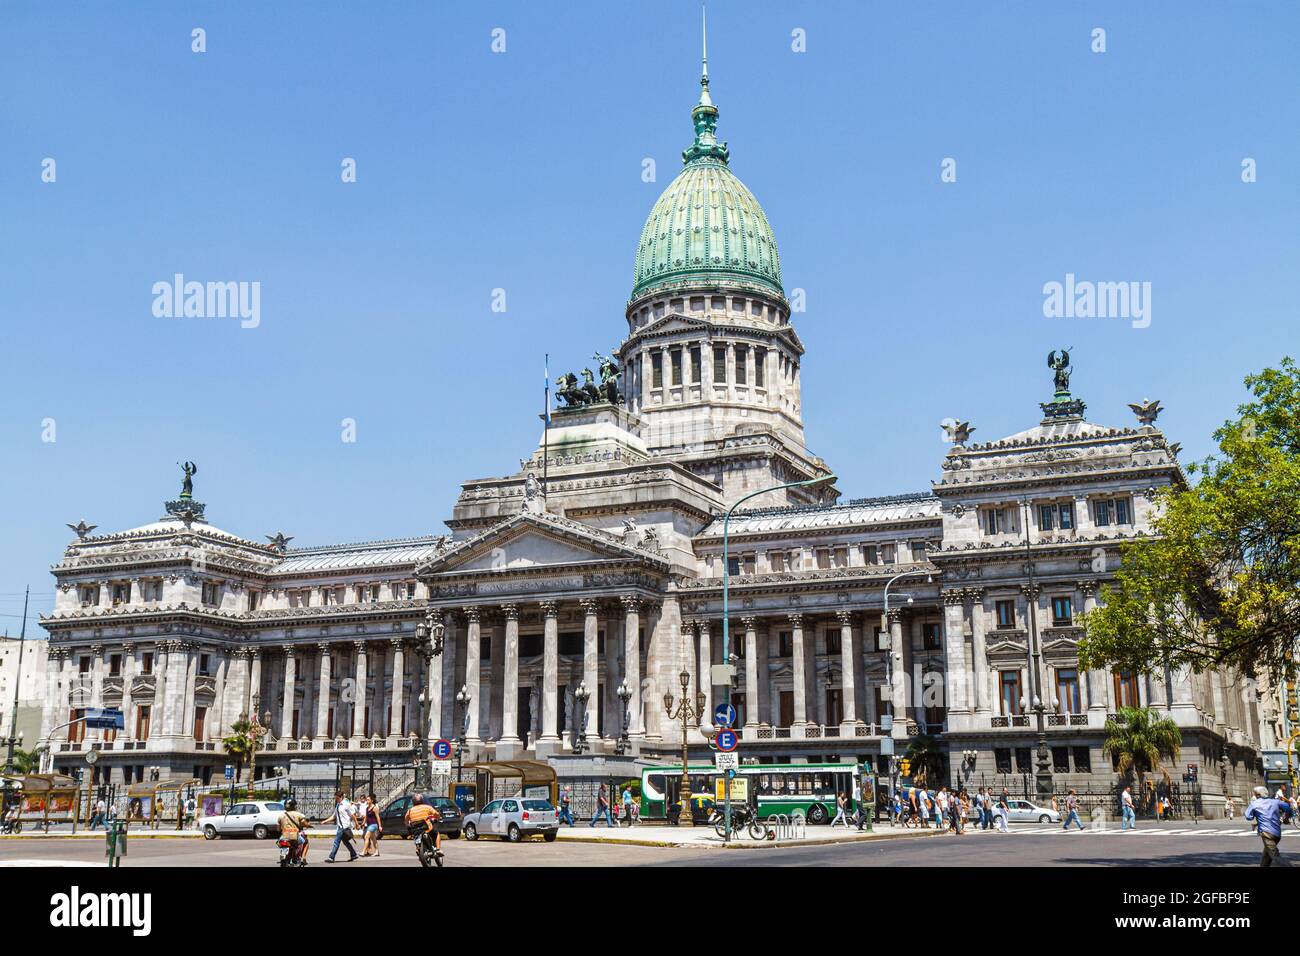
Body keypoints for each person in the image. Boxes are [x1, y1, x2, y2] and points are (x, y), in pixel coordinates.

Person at [1244, 785, 1292, 867]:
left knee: (1275, 856)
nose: (1254, 796)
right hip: (1277, 833)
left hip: (1266, 833)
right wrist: (1286, 818)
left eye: (1255, 794)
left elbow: (1248, 816)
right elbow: (1288, 807)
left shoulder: (1255, 804)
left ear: (1258, 795)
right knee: (1266, 856)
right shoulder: (1275, 801)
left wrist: (1255, 815)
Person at [322, 792, 359, 863]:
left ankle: (331, 857)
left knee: (336, 842)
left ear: (341, 797)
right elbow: (334, 816)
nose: (336, 800)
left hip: (344, 826)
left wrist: (356, 824)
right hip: (340, 826)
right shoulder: (338, 805)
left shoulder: (346, 804)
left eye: (337, 798)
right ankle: (353, 854)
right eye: (336, 798)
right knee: (345, 842)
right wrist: (325, 821)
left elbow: (352, 815)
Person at [405, 793, 443, 859]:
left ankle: (418, 849)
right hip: (426, 828)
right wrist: (438, 817)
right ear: (422, 800)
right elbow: (436, 814)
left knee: (416, 837)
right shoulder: (427, 807)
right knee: (436, 833)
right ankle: (438, 849)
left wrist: (408, 825)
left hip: (415, 830)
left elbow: (406, 820)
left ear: (413, 802)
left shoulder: (410, 810)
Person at [277, 798, 310, 864]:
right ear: (294, 806)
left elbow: (278, 829)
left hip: (284, 836)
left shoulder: (280, 816)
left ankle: (283, 857)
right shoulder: (298, 814)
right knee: (306, 842)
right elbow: (304, 823)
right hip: (295, 836)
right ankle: (303, 858)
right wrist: (308, 825)